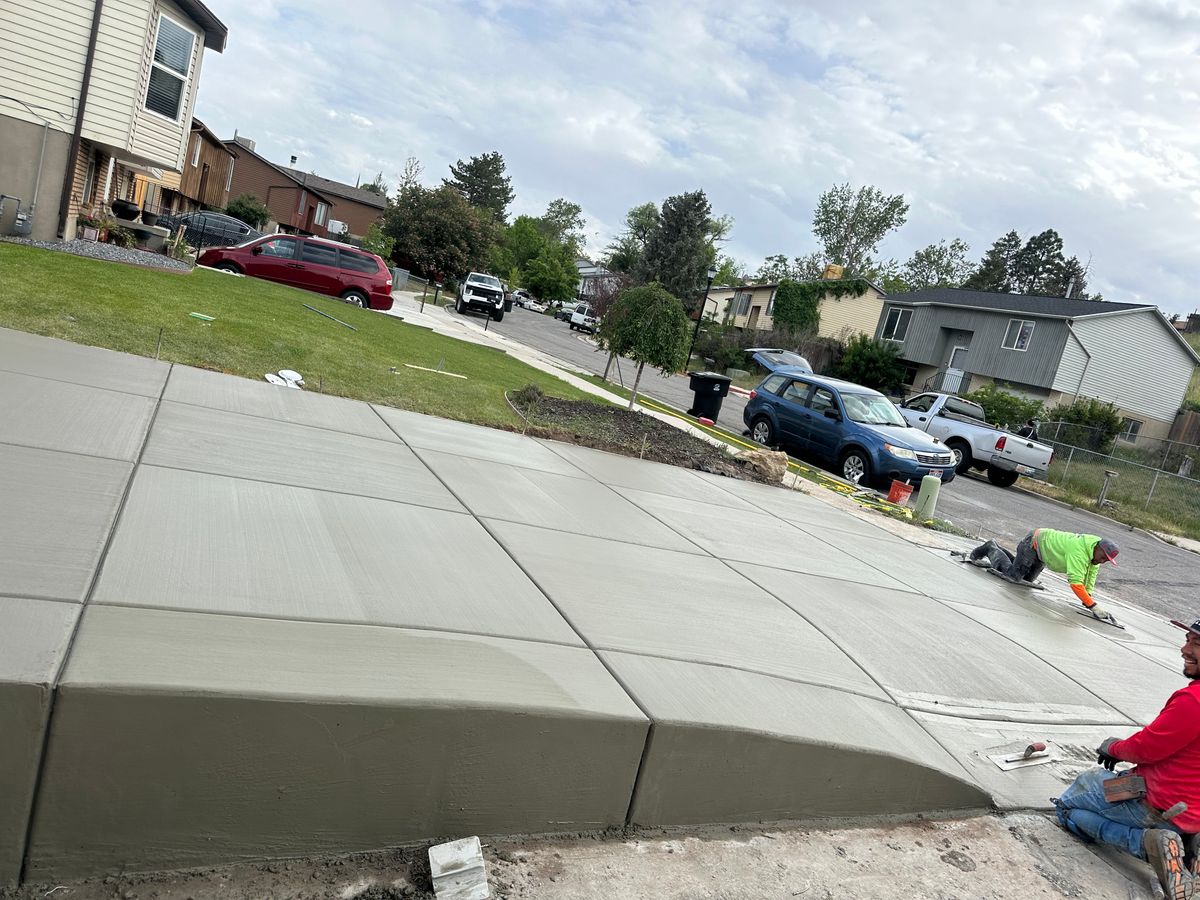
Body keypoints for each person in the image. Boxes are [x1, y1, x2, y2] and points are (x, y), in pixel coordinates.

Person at [1054, 618, 1200, 899]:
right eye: (1187, 639)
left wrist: (1112, 748)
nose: (1184, 649)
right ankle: (1188, 845)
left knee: (1069, 807)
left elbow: (1145, 748)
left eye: (1196, 644)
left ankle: (1146, 843)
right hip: (1192, 810)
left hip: (1156, 804)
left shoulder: (1193, 702)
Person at [966, 529, 1119, 622]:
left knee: (1025, 579)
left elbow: (1090, 576)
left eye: (1107, 560)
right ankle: (990, 547)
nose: (1103, 561)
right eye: (1104, 557)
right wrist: (1093, 606)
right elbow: (1075, 582)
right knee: (1013, 576)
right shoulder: (1079, 551)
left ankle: (1003, 553)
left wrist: (1088, 597)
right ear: (1098, 547)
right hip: (1033, 543)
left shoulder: (1094, 553)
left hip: (1042, 553)